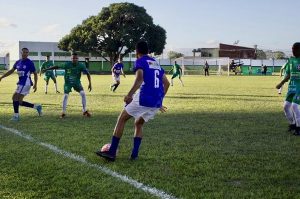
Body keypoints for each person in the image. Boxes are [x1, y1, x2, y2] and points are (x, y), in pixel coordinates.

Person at [96, 41, 170, 161]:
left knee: (122, 118)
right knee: (138, 123)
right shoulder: (155, 63)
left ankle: (112, 152)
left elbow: (139, 79)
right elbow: (166, 83)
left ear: (137, 52)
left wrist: (129, 95)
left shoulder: (140, 61)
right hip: (156, 101)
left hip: (144, 97)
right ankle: (134, 155)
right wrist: (159, 101)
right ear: (148, 51)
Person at [43, 52, 92, 118]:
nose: (74, 59)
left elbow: (88, 73)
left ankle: (84, 110)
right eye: (73, 58)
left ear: (78, 59)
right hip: (68, 83)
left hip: (77, 82)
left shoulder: (81, 65)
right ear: (71, 59)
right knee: (66, 96)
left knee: (83, 93)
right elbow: (57, 66)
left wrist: (90, 84)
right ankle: (63, 112)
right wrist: (47, 69)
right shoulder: (67, 64)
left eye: (76, 58)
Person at [0, 47, 42, 121]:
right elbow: (11, 71)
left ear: (28, 54)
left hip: (25, 82)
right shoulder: (18, 62)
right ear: (21, 53)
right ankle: (36, 106)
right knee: (19, 102)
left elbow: (35, 74)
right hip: (21, 83)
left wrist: (35, 84)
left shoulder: (30, 62)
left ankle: (16, 116)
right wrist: (2, 77)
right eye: (24, 52)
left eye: (27, 52)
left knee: (14, 97)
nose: (25, 54)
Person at [276, 42, 300, 136]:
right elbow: (289, 74)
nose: (293, 51)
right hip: (292, 87)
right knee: (286, 107)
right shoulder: (291, 60)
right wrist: (281, 83)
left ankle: (299, 128)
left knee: (294, 106)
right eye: (292, 49)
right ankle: (292, 125)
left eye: (295, 49)